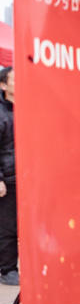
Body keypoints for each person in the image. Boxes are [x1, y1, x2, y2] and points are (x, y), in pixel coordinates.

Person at [0, 67, 16, 286]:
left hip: (27, 177)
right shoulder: (2, 113)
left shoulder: (27, 107)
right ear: (3, 85)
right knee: (8, 226)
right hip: (8, 178)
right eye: (15, 80)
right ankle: (7, 269)